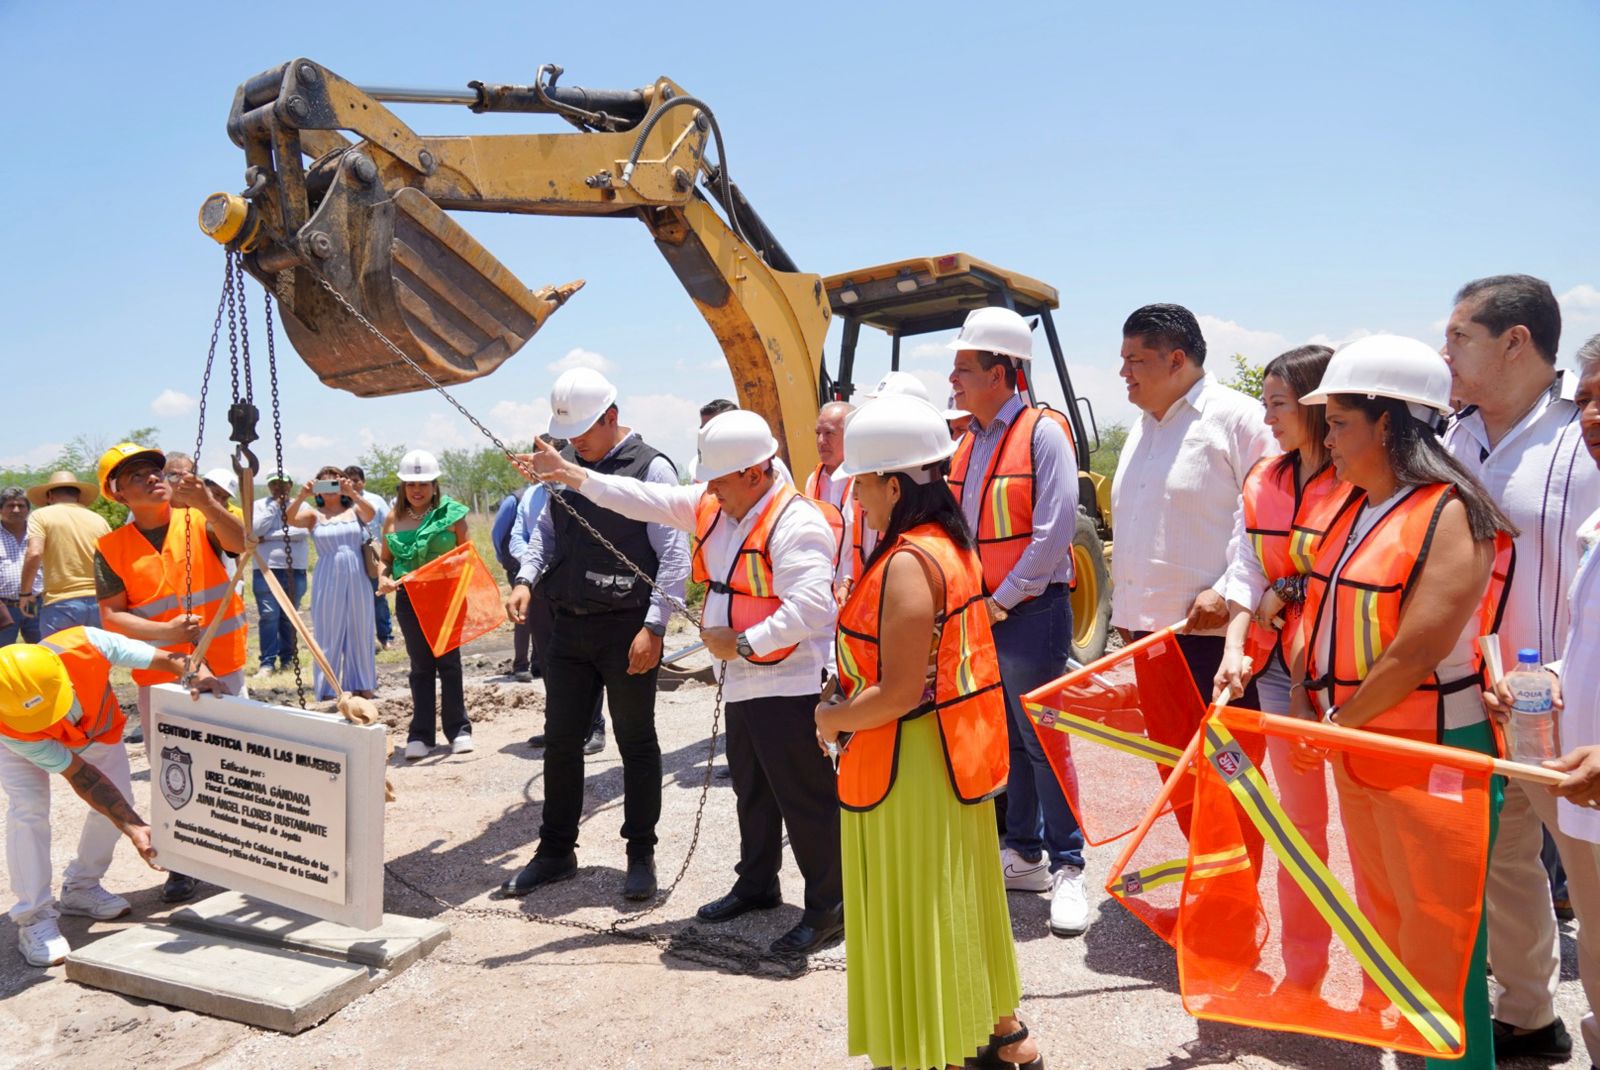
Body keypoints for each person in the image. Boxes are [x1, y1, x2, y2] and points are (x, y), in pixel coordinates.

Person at [520, 407, 842, 953]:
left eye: (718, 478)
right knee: (753, 790)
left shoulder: (798, 522)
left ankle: (829, 907)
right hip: (744, 679)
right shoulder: (719, 504)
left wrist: (743, 641)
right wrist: (569, 474)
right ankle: (757, 884)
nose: (708, 489)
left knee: (803, 797)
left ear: (755, 473)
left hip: (789, 681)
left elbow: (814, 606)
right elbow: (638, 498)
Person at [1295, 335, 1519, 1070]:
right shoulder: (1355, 506)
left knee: (1442, 944)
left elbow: (1417, 650)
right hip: (1364, 746)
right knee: (1390, 927)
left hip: (1430, 746)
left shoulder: (1451, 512)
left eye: (1339, 422)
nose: (1327, 437)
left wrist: (1338, 725)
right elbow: (1319, 610)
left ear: (1388, 423)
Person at [816, 393, 1042, 1070]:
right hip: (945, 761)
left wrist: (830, 717)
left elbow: (896, 693)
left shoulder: (910, 563)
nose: (854, 494)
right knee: (957, 899)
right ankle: (1004, 1038)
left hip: (906, 768)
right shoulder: (946, 546)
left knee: (919, 912)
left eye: (860, 480)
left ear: (893, 484)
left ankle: (932, 1052)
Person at [1437, 278, 1600, 1066]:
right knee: (1503, 863)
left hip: (1571, 711)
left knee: (1591, 882)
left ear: (1517, 342)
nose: (1446, 355)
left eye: (1461, 337)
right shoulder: (1451, 437)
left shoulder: (1585, 433)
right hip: (1475, 699)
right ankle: (1531, 1012)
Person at [501, 369, 688, 904]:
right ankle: (556, 852)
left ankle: (640, 855)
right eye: (569, 431)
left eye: (585, 429)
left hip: (627, 627)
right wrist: (524, 579)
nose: (576, 440)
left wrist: (654, 626)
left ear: (612, 416)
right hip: (568, 626)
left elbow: (674, 555)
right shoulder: (567, 466)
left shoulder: (651, 467)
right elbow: (544, 533)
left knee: (635, 742)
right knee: (562, 741)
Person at [1212, 344, 1361, 990]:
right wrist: (1232, 651)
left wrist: (1289, 591)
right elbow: (1246, 571)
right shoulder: (1263, 481)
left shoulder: (1364, 478)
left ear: (1315, 404)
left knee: (1370, 837)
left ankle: (1385, 991)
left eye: (1278, 404)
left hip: (1354, 678)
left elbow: (1352, 570)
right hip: (1276, 676)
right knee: (1301, 830)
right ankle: (1304, 976)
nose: (1267, 417)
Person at [946, 305, 1089, 938]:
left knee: (1042, 738)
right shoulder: (969, 441)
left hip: (1029, 611)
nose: (955, 380)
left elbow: (1056, 527)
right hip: (986, 611)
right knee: (1007, 735)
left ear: (1002, 372)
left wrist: (1002, 598)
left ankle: (1069, 866)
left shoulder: (1041, 432)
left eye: (965, 369)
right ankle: (1024, 853)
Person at [0, 627, 220, 965]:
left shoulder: (89, 645)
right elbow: (81, 776)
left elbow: (170, 659)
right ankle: (34, 916)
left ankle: (81, 887)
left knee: (120, 797)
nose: (54, 719)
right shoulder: (9, 718)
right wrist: (134, 828)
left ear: (63, 677)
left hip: (98, 729)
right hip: (24, 745)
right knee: (28, 809)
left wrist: (199, 674)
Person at [93, 441, 248, 904]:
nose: (150, 477)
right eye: (135, 474)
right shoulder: (111, 547)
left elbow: (241, 545)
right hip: (159, 673)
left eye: (153, 469)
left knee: (233, 760)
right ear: (118, 495)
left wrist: (208, 504)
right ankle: (181, 862)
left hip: (221, 661)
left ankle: (243, 854)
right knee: (172, 769)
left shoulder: (199, 519)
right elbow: (113, 617)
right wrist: (165, 630)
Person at [1534, 336, 1600, 826]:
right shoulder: (1594, 523)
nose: (1591, 416)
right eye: (1584, 401)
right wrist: (1556, 672)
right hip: (1583, 790)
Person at [378, 451, 472, 758]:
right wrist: (383, 579)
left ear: (435, 485)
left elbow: (466, 555)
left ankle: (459, 730)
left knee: (449, 663)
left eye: (423, 483)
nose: (416, 490)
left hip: (446, 597)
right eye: (410, 484)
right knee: (420, 667)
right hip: (409, 599)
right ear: (402, 488)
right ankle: (420, 735)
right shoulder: (394, 518)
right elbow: (385, 561)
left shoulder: (454, 515)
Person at [289, 466, 378, 701]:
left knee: (360, 628)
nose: (329, 489)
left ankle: (363, 683)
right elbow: (288, 518)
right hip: (327, 574)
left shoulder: (355, 510)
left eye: (333, 483)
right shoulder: (314, 515)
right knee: (328, 630)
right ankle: (329, 688)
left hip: (357, 572)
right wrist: (301, 496)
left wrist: (353, 493)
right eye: (323, 484)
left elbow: (372, 514)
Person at [21, 471, 110, 634]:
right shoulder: (98, 520)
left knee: (58, 659)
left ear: (49, 495)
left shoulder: (41, 515)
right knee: (99, 658)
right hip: (100, 602)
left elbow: (34, 553)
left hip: (61, 603)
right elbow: (113, 560)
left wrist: (25, 593)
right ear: (78, 496)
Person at [250, 472, 309, 675]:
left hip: (295, 569)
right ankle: (267, 662)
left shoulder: (302, 505)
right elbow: (255, 530)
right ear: (269, 487)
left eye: (283, 484)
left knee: (289, 616)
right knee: (268, 615)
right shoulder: (259, 505)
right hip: (265, 568)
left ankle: (288, 659)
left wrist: (269, 536)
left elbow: (302, 532)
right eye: (274, 484)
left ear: (290, 485)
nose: (279, 488)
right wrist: (274, 506)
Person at [802, 400, 861, 597]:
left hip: (856, 588)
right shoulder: (814, 479)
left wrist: (847, 581)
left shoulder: (864, 481)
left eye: (829, 433)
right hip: (821, 588)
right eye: (818, 433)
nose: (820, 441)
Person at [344, 465, 394, 651]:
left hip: (371, 555)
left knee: (378, 597)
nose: (353, 484)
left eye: (356, 480)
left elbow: (389, 524)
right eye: (348, 480)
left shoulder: (375, 500)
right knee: (354, 600)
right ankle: (363, 640)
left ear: (363, 482)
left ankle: (385, 636)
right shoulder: (338, 501)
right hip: (349, 557)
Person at [491, 486, 539, 683]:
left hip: (545, 566)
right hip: (518, 566)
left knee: (542, 613)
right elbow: (498, 533)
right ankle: (520, 665)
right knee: (523, 614)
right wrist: (505, 560)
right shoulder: (515, 499)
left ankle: (538, 663)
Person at [0, 488, 43, 646]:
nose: (16, 510)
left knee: (41, 648)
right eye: (10, 505)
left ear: (28, 510)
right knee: (3, 653)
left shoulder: (38, 533)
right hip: (4, 606)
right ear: (1, 509)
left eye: (21, 505)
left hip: (33, 602)